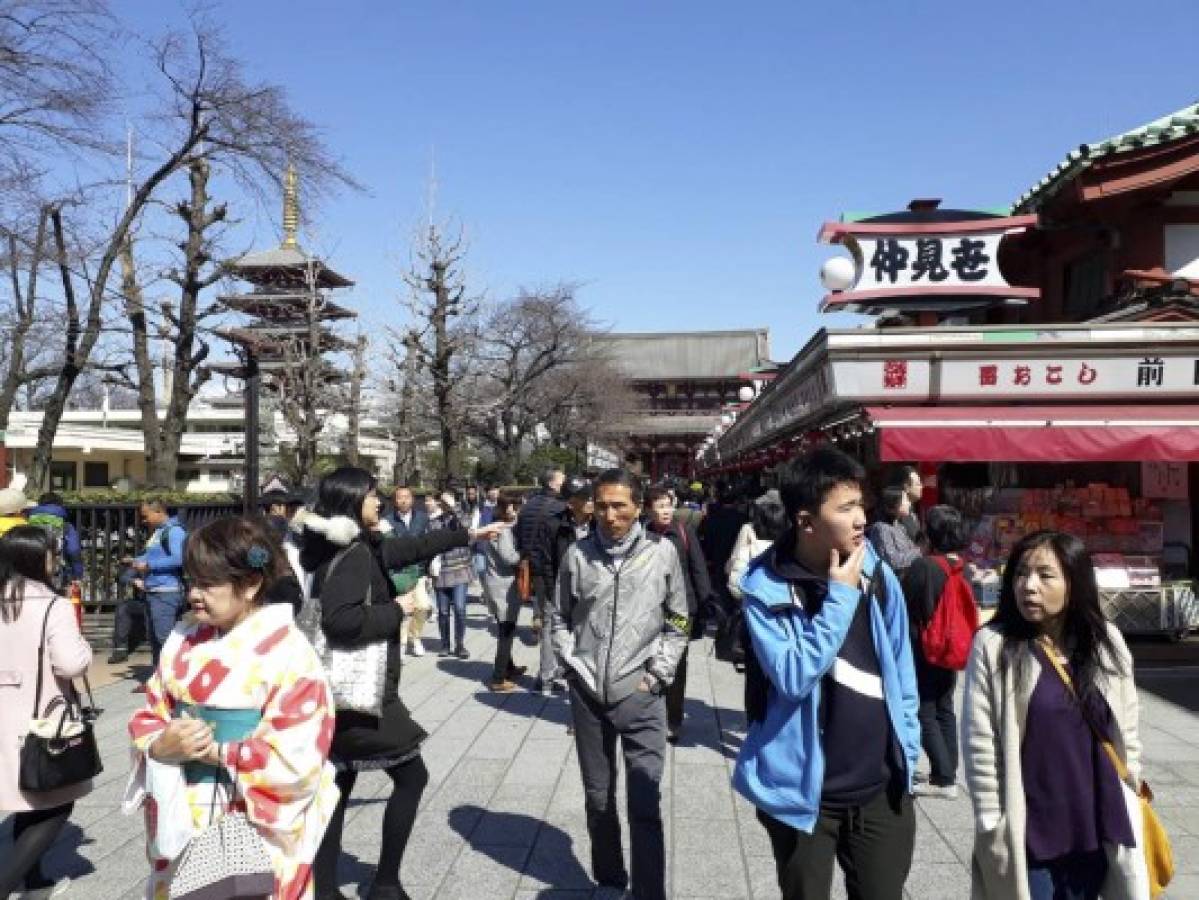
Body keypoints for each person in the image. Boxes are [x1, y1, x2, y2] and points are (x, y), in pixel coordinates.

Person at [299, 467, 504, 900]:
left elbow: (407, 549)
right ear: (354, 500)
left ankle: (326, 887)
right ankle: (385, 885)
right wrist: (398, 609)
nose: (381, 501)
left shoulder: (347, 544)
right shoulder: (354, 554)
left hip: (336, 694)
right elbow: (341, 620)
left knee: (339, 781)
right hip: (360, 695)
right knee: (411, 776)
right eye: (373, 495)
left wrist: (466, 535)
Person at [732, 445, 920, 900]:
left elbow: (902, 667)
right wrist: (839, 598)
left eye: (862, 506)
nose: (861, 520)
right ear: (805, 520)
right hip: (803, 796)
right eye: (846, 508)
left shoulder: (877, 573)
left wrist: (908, 755)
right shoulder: (764, 588)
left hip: (879, 788)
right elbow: (794, 676)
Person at [126, 516, 338, 899]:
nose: (194, 594)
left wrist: (214, 751)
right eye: (192, 581)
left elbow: (298, 758)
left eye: (208, 584)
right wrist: (159, 746)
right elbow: (151, 709)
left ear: (252, 583)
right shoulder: (183, 637)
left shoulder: (289, 654)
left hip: (251, 822)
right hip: (183, 808)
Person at [962, 531, 1145, 900]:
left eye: (1045, 576)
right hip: (1032, 827)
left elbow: (1127, 726)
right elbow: (980, 744)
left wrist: (1132, 781)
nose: (1028, 586)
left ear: (1074, 583)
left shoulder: (1106, 642)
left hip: (1097, 820)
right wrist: (991, 821)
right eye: (1020, 574)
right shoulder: (995, 645)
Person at [552, 469, 689, 900]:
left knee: (644, 804)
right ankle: (610, 877)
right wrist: (571, 665)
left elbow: (679, 619)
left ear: (638, 507)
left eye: (620, 506)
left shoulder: (662, 553)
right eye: (603, 505)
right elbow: (559, 615)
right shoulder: (578, 555)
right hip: (588, 694)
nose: (610, 515)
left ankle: (649, 892)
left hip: (641, 694)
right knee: (598, 796)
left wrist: (658, 676)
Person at [0, 526, 93, 898]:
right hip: (40, 717)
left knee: (27, 799)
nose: (56, 561)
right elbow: (71, 664)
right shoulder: (52, 605)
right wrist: (83, 647)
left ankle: (35, 880)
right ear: (37, 559)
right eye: (51, 554)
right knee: (56, 803)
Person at [900, 505, 970, 799]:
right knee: (944, 708)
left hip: (925, 647)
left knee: (924, 710)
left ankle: (943, 777)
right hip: (950, 647)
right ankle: (949, 771)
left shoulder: (925, 566)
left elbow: (904, 603)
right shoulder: (958, 565)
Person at [644, 484, 714, 743]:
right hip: (652, 608)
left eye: (668, 505)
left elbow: (698, 570)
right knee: (650, 659)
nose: (666, 510)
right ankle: (652, 714)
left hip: (680, 610)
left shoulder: (684, 532)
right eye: (660, 506)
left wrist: (705, 602)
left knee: (676, 663)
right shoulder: (642, 534)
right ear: (648, 509)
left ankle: (673, 719)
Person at [534, 476, 594, 697]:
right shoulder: (554, 525)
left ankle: (580, 675)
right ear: (571, 503)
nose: (591, 502)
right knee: (553, 632)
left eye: (591, 497)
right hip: (560, 587)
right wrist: (551, 591)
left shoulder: (598, 523)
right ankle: (547, 677)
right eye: (585, 498)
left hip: (591, 588)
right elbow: (545, 561)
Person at [515, 467, 566, 689]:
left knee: (546, 620)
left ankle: (548, 673)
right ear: (553, 484)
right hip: (552, 571)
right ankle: (550, 674)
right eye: (563, 481)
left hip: (533, 570)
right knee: (554, 624)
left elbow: (518, 537)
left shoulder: (527, 507)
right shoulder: (558, 508)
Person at [126, 500, 187, 669]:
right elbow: (152, 557)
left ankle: (172, 677)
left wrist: (149, 566)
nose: (144, 520)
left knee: (164, 638)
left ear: (159, 512)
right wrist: (136, 561)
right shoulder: (159, 532)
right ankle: (157, 678)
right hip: (153, 591)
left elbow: (179, 558)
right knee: (154, 639)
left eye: (146, 516)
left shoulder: (174, 532)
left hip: (166, 591)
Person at [479, 492, 527, 692]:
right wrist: (526, 554)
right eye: (512, 506)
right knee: (506, 631)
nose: (515, 510)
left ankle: (509, 667)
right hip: (503, 586)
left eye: (516, 506)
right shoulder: (503, 530)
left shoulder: (497, 526)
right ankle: (498, 678)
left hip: (496, 583)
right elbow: (510, 558)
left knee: (505, 627)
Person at [388, 485, 434, 657]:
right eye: (400, 497)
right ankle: (402, 643)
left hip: (419, 571)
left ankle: (415, 637)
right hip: (398, 573)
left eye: (407, 496)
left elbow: (428, 543)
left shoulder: (422, 518)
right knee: (404, 609)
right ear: (395, 501)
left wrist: (429, 568)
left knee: (423, 606)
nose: (404, 500)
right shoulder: (388, 521)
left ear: (413, 499)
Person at [431, 492, 475, 659]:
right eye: (443, 502)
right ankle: (444, 645)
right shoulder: (435, 523)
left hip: (460, 570)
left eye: (447, 501)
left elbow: (467, 526)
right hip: (442, 571)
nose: (445, 504)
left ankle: (460, 644)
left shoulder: (462, 519)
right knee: (443, 611)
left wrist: (454, 506)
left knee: (460, 608)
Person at [27, 492, 84, 592]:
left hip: (30, 573)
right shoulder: (66, 527)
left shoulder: (28, 524)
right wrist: (77, 574)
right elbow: (73, 550)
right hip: (56, 573)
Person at [866, 486, 922, 576]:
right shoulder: (881, 529)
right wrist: (920, 551)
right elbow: (892, 561)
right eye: (905, 500)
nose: (909, 504)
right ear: (893, 505)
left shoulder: (900, 527)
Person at [107, 562, 149, 664]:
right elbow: (124, 577)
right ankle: (120, 650)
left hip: (162, 601)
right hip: (143, 603)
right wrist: (134, 580)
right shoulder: (142, 561)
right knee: (123, 607)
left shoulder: (169, 561)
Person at [888, 466, 923, 544]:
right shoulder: (900, 513)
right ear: (906, 487)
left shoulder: (912, 511)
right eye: (918, 484)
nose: (921, 487)